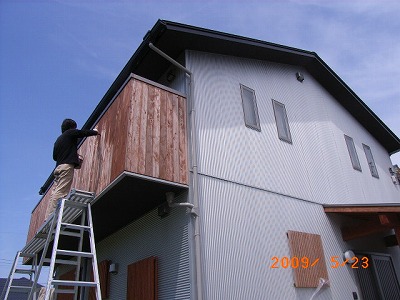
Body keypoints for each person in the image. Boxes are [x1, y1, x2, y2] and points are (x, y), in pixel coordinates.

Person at [44, 118, 100, 219]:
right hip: (66, 167)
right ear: (71, 127)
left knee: (54, 192)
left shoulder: (58, 140)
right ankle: (51, 217)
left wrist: (70, 153)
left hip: (58, 168)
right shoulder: (70, 133)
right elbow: (82, 133)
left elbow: (54, 157)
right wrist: (94, 132)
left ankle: (47, 217)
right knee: (61, 192)